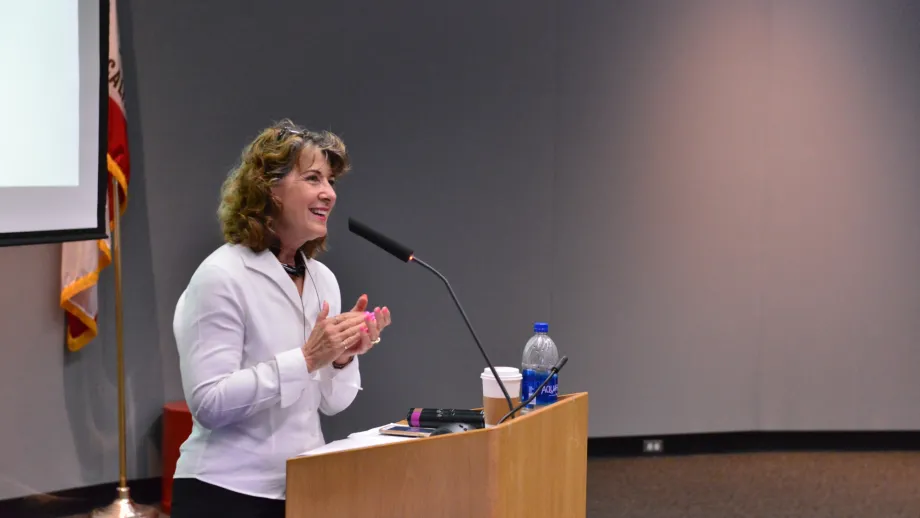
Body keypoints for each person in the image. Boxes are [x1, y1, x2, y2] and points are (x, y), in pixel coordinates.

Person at [169, 119, 391, 518]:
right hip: (223, 493)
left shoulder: (324, 280)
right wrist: (306, 359)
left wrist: (341, 358)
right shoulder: (221, 275)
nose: (328, 193)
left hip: (303, 491)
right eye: (312, 178)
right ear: (269, 190)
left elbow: (331, 404)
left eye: (331, 182)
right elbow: (208, 403)